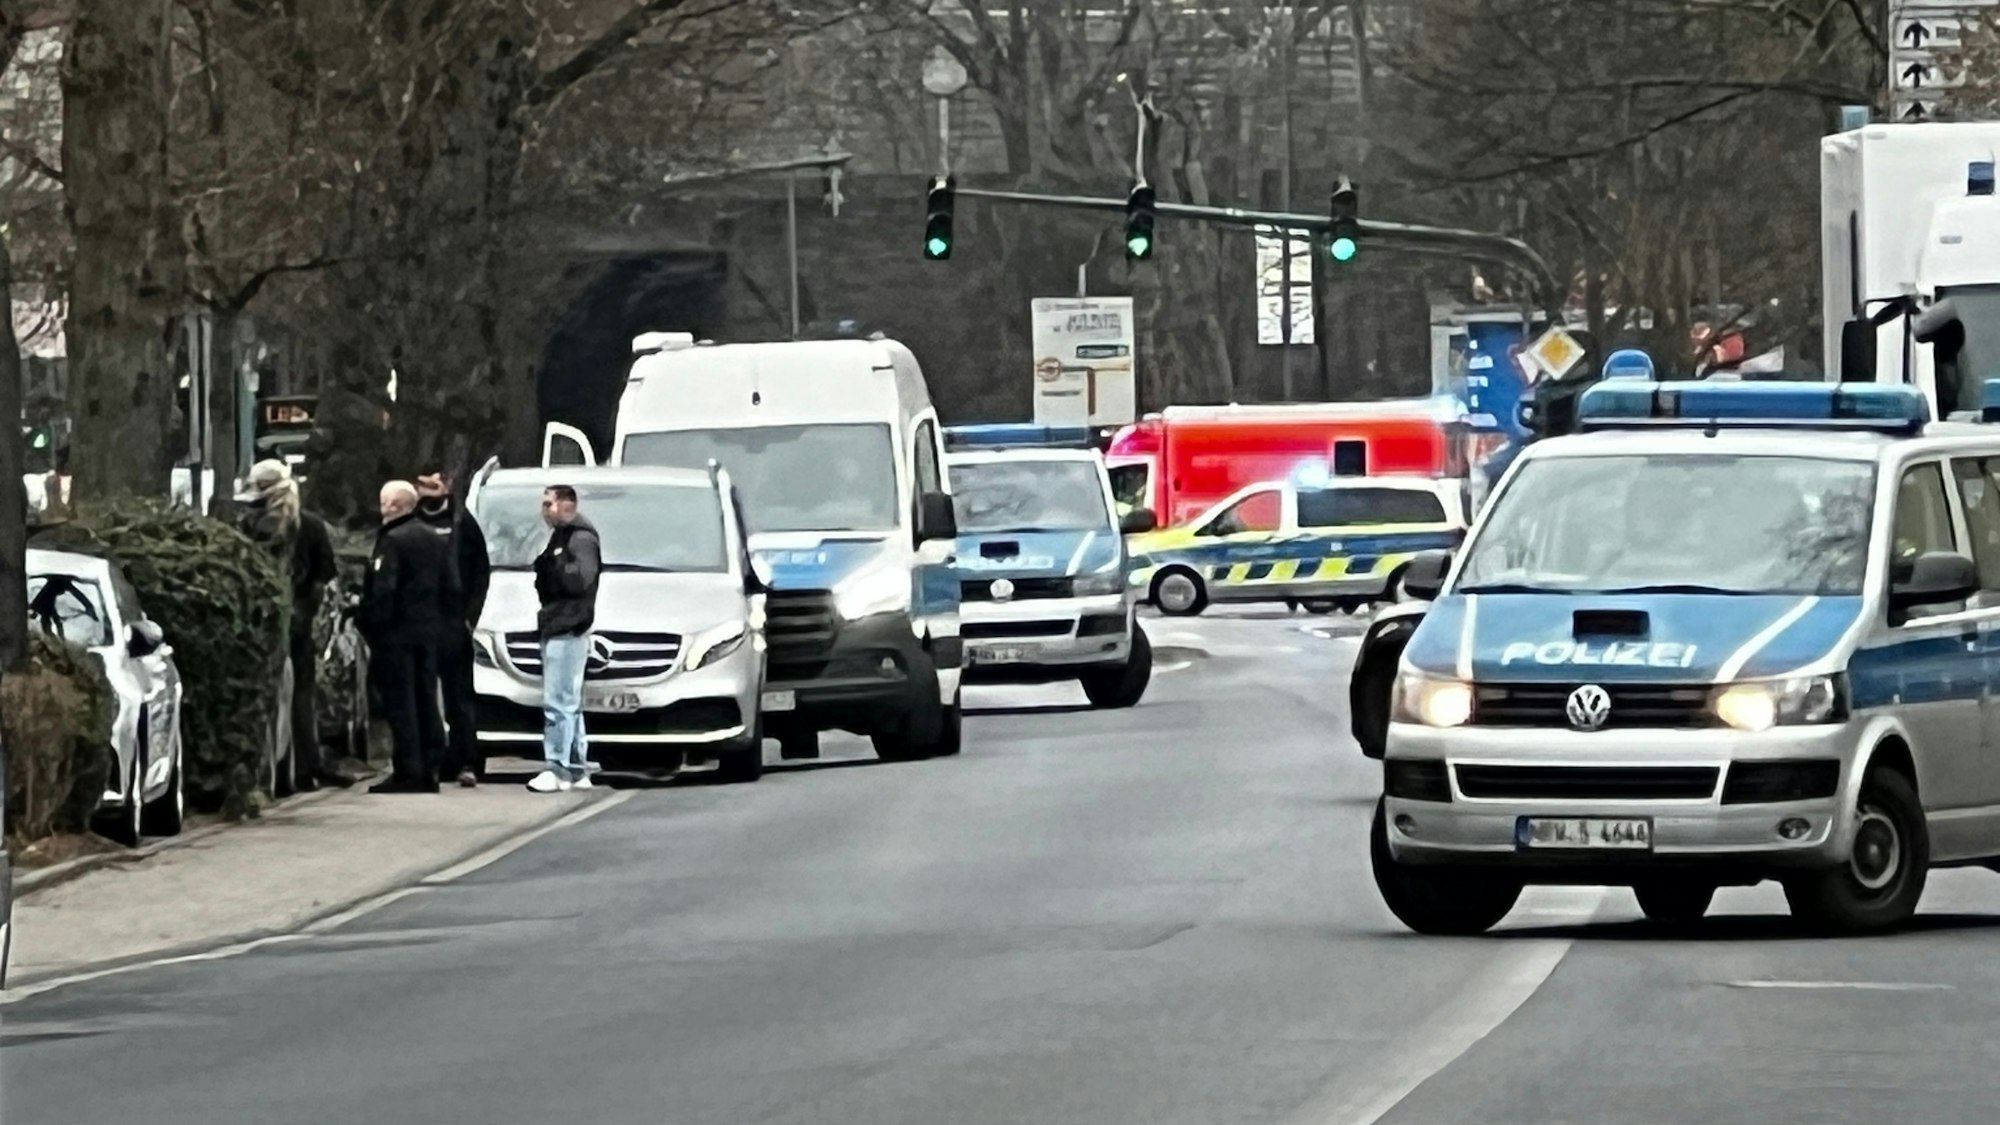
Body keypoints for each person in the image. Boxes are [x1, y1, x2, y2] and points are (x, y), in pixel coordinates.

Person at [236, 460, 346, 791]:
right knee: (301, 696)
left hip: (263, 622)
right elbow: (326, 571)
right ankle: (306, 767)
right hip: (300, 622)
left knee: (270, 695)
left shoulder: (249, 525)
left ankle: (268, 768)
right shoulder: (310, 525)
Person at [358, 480, 458, 794]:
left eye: (383, 502)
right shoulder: (434, 539)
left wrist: (369, 622)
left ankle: (408, 769)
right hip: (428, 632)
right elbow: (451, 586)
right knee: (426, 697)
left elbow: (384, 589)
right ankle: (430, 767)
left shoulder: (393, 541)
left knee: (401, 702)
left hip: (396, 635)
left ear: (393, 506)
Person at [416, 463, 491, 788]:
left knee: (459, 695)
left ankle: (467, 759)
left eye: (433, 485)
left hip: (453, 621)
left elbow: (481, 573)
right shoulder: (412, 520)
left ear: (446, 485)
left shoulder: (463, 523)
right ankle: (432, 759)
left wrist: (469, 617)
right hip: (421, 621)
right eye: (421, 486)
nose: (426, 492)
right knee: (423, 694)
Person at [530, 485, 600, 793]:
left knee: (557, 701)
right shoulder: (562, 537)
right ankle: (576, 767)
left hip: (567, 624)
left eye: (549, 504)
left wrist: (554, 568)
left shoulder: (580, 538)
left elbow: (580, 580)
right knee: (569, 701)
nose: (544, 510)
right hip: (559, 622)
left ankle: (556, 766)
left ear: (566, 505)